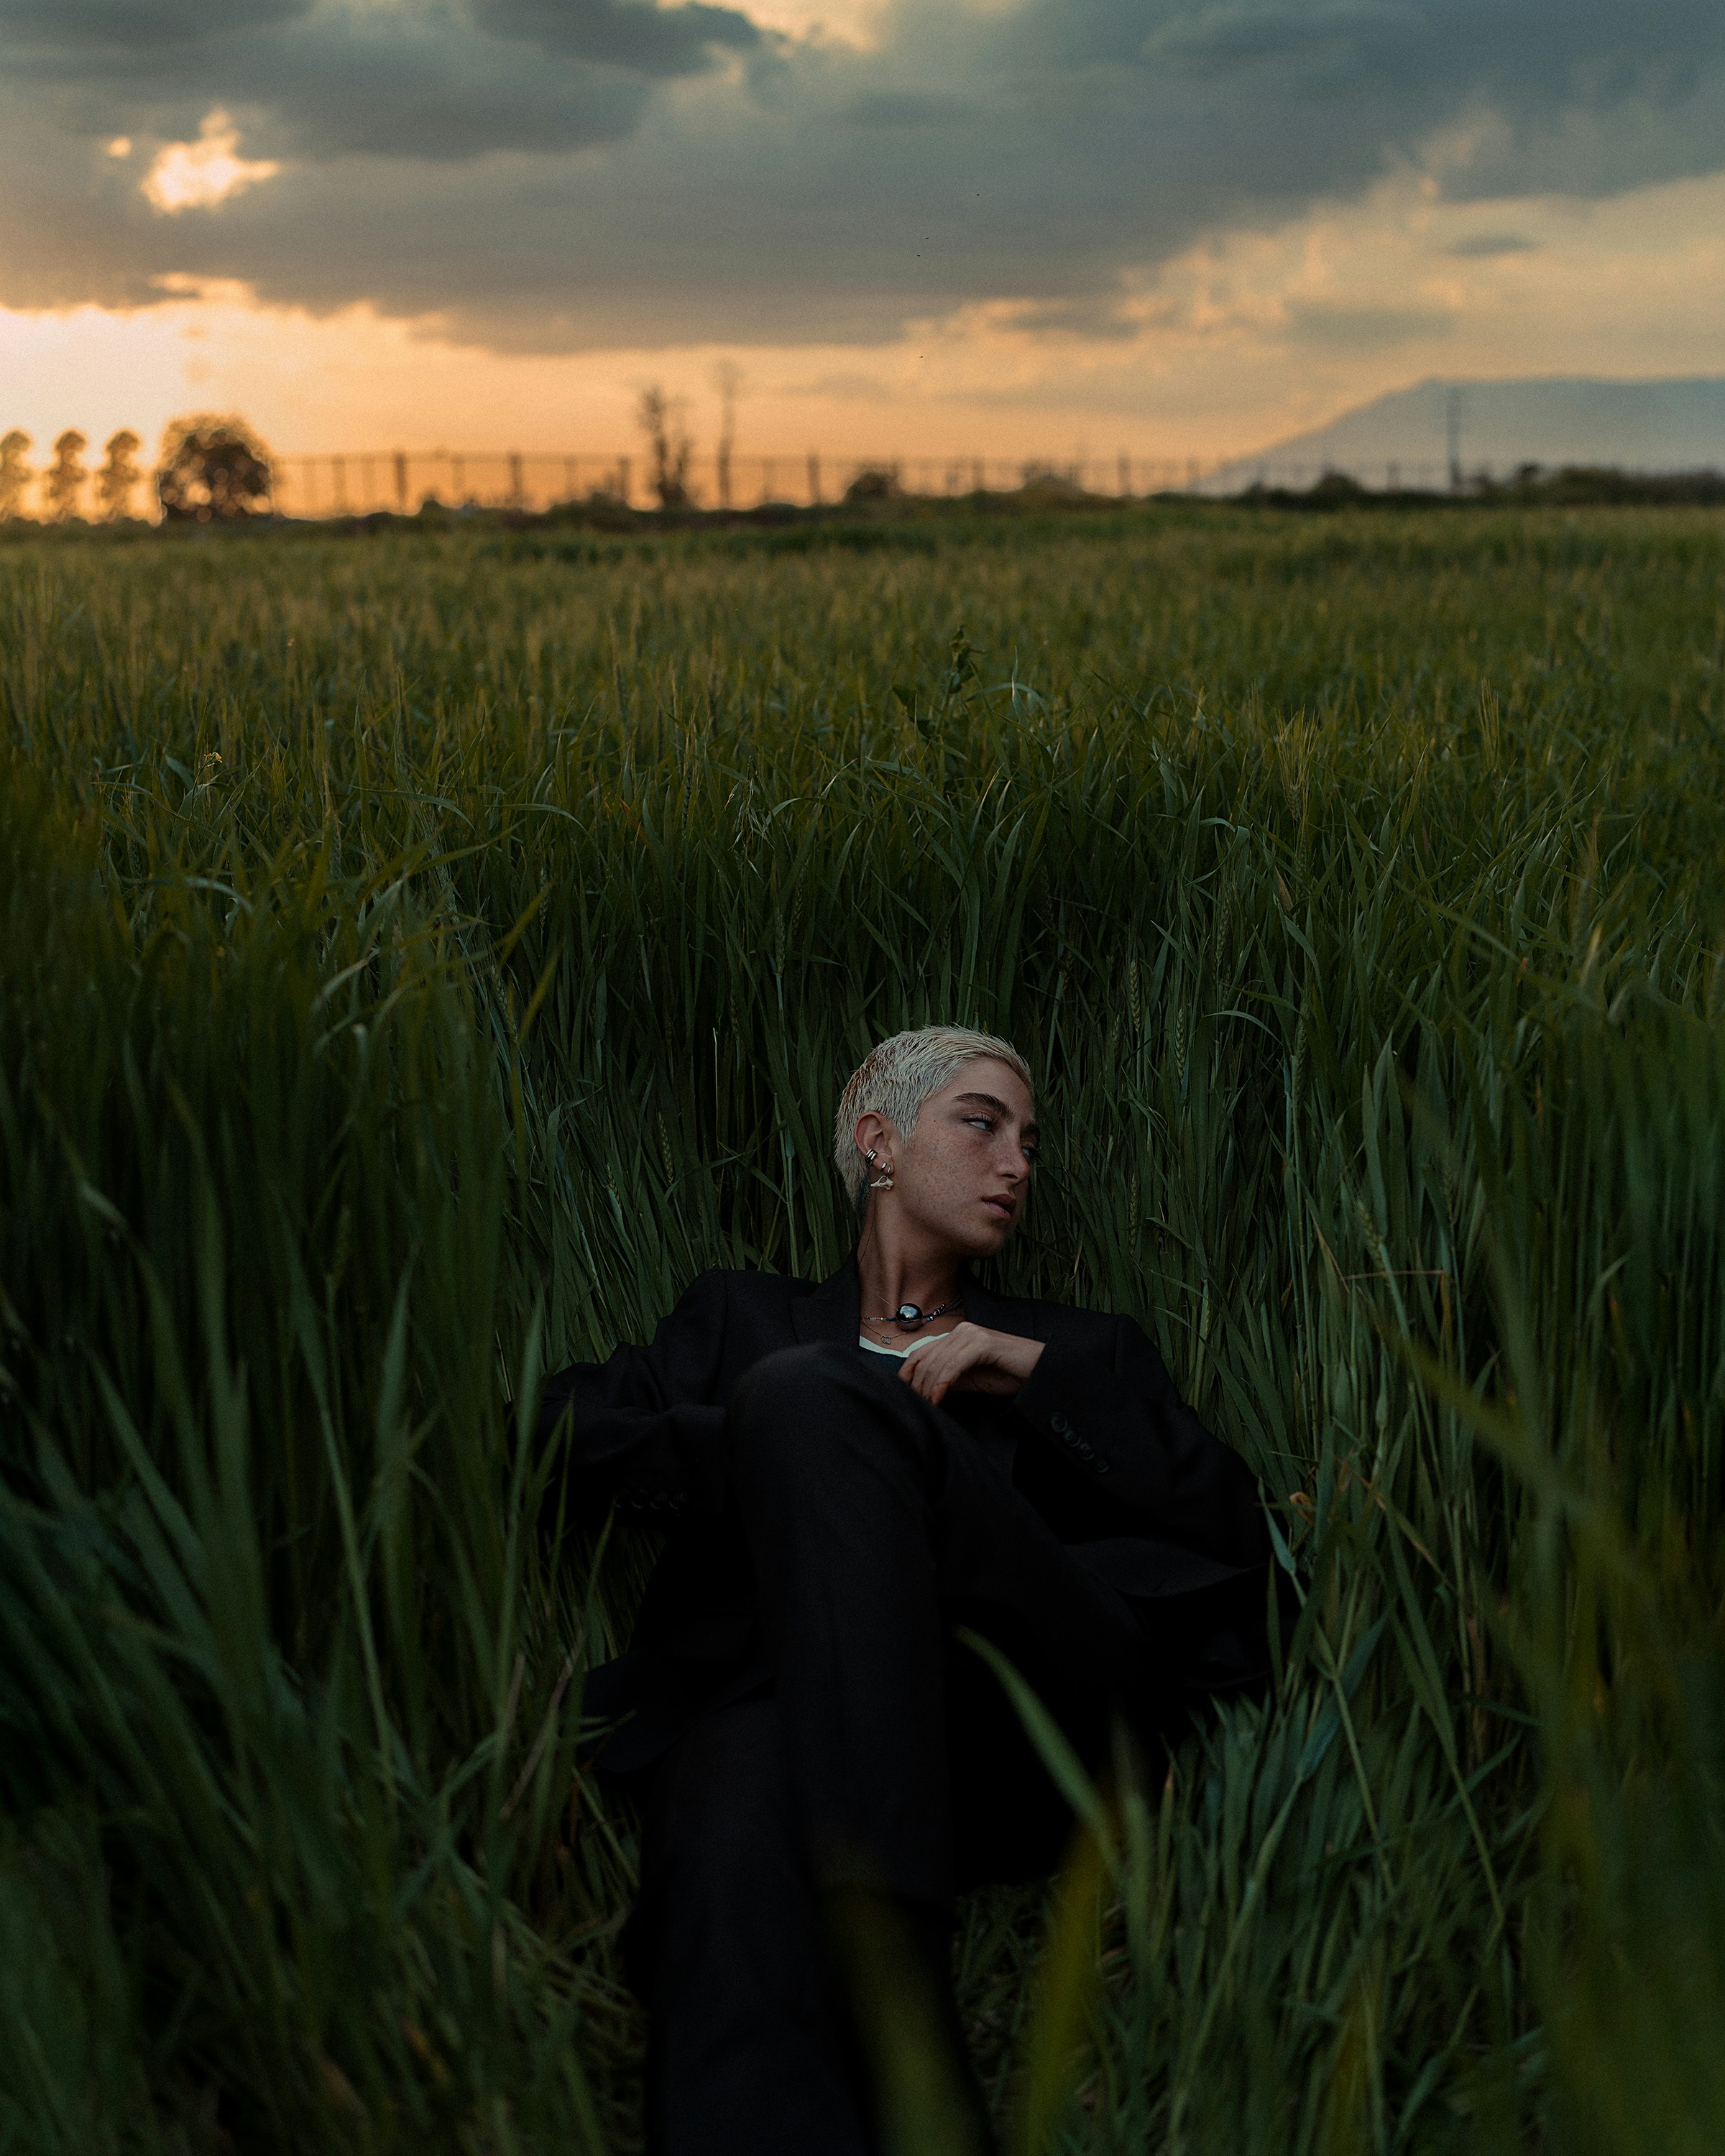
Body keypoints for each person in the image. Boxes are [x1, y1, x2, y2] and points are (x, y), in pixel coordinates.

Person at [536, 1026, 1274, 2155]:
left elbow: (1226, 1519)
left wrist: (1023, 1370)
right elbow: (558, 1435)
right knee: (728, 1810)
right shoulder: (741, 1322)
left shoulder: (1074, 1348)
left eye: (1029, 1140)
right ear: (880, 1142)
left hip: (1024, 1709)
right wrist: (782, 1440)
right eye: (982, 1124)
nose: (1018, 1163)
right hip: (782, 1713)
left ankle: (896, 1970)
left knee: (812, 1404)